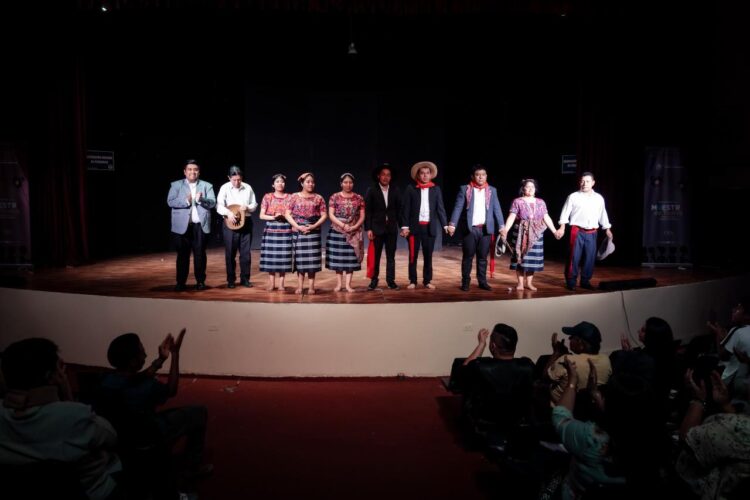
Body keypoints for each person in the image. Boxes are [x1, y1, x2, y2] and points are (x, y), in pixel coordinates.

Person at [0, 338, 122, 500]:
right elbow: (111, 437)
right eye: (58, 367)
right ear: (50, 376)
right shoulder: (75, 416)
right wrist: (66, 392)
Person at [98, 329, 212, 481]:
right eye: (142, 352)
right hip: (148, 437)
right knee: (199, 412)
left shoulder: (106, 380)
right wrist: (175, 354)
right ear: (133, 361)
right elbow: (171, 390)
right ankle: (192, 467)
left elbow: (134, 378)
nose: (145, 355)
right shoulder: (148, 386)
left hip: (121, 439)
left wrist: (160, 360)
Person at [447, 164, 505, 291]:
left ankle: (482, 282)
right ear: (472, 176)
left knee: (483, 257)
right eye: (478, 175)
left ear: (486, 176)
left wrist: (502, 226)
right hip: (470, 229)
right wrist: (452, 224)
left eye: (483, 175)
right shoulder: (465, 189)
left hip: (485, 229)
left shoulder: (492, 190)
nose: (480, 177)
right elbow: (458, 207)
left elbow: (497, 209)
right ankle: (465, 282)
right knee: (468, 256)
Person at [500, 178, 561, 291]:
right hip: (521, 232)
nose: (530, 189)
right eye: (528, 187)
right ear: (523, 189)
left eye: (532, 187)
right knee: (520, 257)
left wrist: (554, 231)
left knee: (532, 259)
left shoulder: (541, 202)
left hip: (536, 233)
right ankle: (520, 284)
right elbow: (512, 217)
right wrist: (505, 230)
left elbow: (546, 217)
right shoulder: (517, 201)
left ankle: (529, 283)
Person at [555, 172, 613, 291]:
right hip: (577, 231)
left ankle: (585, 281)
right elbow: (565, 213)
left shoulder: (599, 198)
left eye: (587, 181)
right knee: (574, 257)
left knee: (589, 258)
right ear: (579, 182)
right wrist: (562, 227)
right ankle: (571, 281)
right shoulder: (573, 196)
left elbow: (603, 214)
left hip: (592, 232)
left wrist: (607, 229)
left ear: (593, 183)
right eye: (582, 181)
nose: (584, 183)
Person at [167, 159, 216, 291]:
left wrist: (202, 200)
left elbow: (212, 203)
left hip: (199, 225)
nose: (192, 172)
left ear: (199, 172)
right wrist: (186, 201)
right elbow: (170, 201)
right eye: (189, 169)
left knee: (200, 255)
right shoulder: (176, 185)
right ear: (185, 171)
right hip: (182, 227)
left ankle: (200, 282)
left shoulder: (207, 185)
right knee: (182, 255)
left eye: (195, 169)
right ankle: (180, 282)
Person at [400, 161, 448, 290]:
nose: (425, 175)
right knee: (413, 256)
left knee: (428, 256)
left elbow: (440, 209)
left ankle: (427, 280)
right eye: (422, 173)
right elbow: (405, 209)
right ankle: (413, 280)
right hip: (414, 228)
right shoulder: (411, 189)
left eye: (427, 173)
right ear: (418, 175)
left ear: (431, 175)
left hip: (429, 228)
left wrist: (445, 225)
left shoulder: (436, 189)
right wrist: (405, 226)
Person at [285, 172, 328, 295]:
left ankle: (311, 287)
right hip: (299, 231)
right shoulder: (294, 197)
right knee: (300, 260)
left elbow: (324, 215)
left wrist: (314, 226)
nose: (311, 184)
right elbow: (287, 214)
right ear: (302, 183)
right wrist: (297, 226)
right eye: (308, 182)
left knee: (312, 260)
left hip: (313, 232)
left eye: (312, 182)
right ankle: (300, 286)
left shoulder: (318, 198)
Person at [216, 165, 257, 288]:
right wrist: (228, 213)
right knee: (230, 253)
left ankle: (245, 279)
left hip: (245, 222)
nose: (237, 182)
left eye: (239, 179)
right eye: (234, 180)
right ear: (229, 178)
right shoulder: (225, 188)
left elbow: (254, 204)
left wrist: (248, 207)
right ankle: (231, 280)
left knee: (245, 253)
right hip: (230, 222)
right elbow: (219, 205)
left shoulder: (247, 187)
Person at [364, 163, 402, 290]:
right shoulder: (372, 190)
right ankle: (374, 280)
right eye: (383, 175)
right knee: (376, 256)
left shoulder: (395, 190)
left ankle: (391, 281)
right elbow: (368, 211)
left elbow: (399, 210)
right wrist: (368, 228)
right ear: (378, 176)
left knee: (391, 256)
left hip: (391, 228)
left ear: (391, 177)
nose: (386, 177)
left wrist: (402, 226)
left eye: (388, 175)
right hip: (376, 228)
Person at [326, 173, 366, 292]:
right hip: (337, 231)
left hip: (353, 231)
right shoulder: (334, 197)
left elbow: (362, 215)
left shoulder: (359, 198)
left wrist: (355, 226)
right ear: (341, 184)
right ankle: (339, 284)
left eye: (350, 182)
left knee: (350, 259)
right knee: (338, 259)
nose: (348, 185)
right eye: (345, 182)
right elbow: (331, 215)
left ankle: (348, 285)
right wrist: (343, 225)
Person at [259, 174, 293, 291]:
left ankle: (281, 284)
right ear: (273, 184)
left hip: (285, 229)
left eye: (282, 181)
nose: (280, 184)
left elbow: (292, 215)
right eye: (277, 181)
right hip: (271, 230)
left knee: (284, 257)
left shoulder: (290, 197)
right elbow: (261, 215)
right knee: (271, 257)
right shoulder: (268, 197)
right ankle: (272, 283)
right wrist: (274, 217)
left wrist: (284, 216)